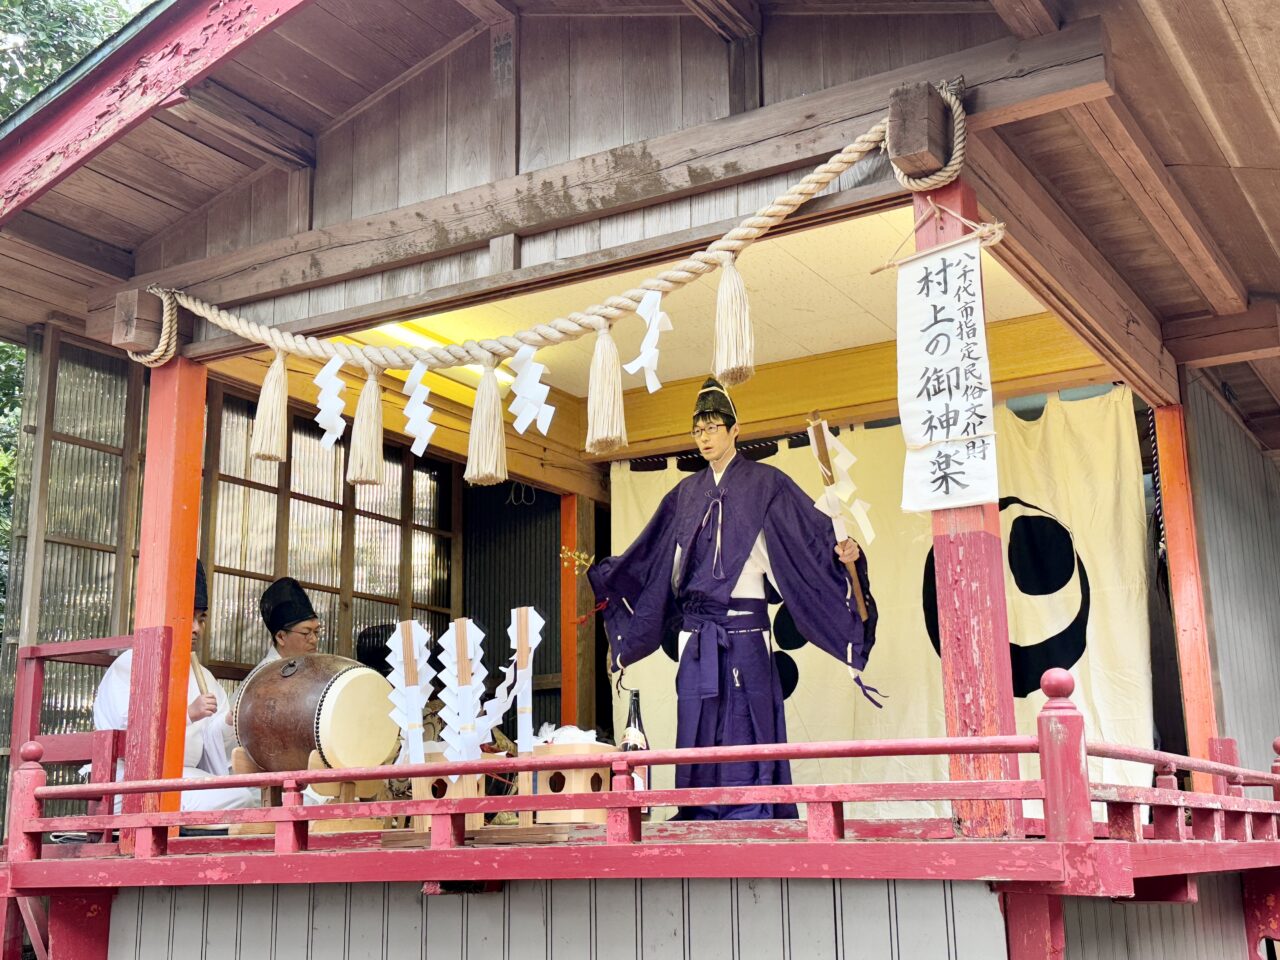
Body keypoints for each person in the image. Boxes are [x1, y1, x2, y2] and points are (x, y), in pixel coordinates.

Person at [588, 377, 879, 820]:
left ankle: (758, 807)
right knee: (697, 719)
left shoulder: (766, 484)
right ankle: (697, 807)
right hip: (697, 632)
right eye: (698, 430)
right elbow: (655, 551)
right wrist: (616, 577)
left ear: (734, 428)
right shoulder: (686, 493)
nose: (704, 438)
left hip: (746, 626)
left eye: (712, 427)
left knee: (750, 715)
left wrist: (844, 553)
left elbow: (811, 535)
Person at [92, 560, 256, 812]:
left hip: (186, 775)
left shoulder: (203, 676)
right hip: (132, 780)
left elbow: (214, 742)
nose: (196, 628)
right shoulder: (131, 663)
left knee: (250, 797)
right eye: (187, 618)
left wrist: (228, 722)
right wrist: (189, 714)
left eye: (200, 619)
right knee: (239, 801)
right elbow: (129, 730)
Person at [257, 577, 322, 667]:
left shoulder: (302, 666)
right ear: (281, 637)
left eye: (316, 632)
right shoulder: (268, 676)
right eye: (306, 633)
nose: (314, 640)